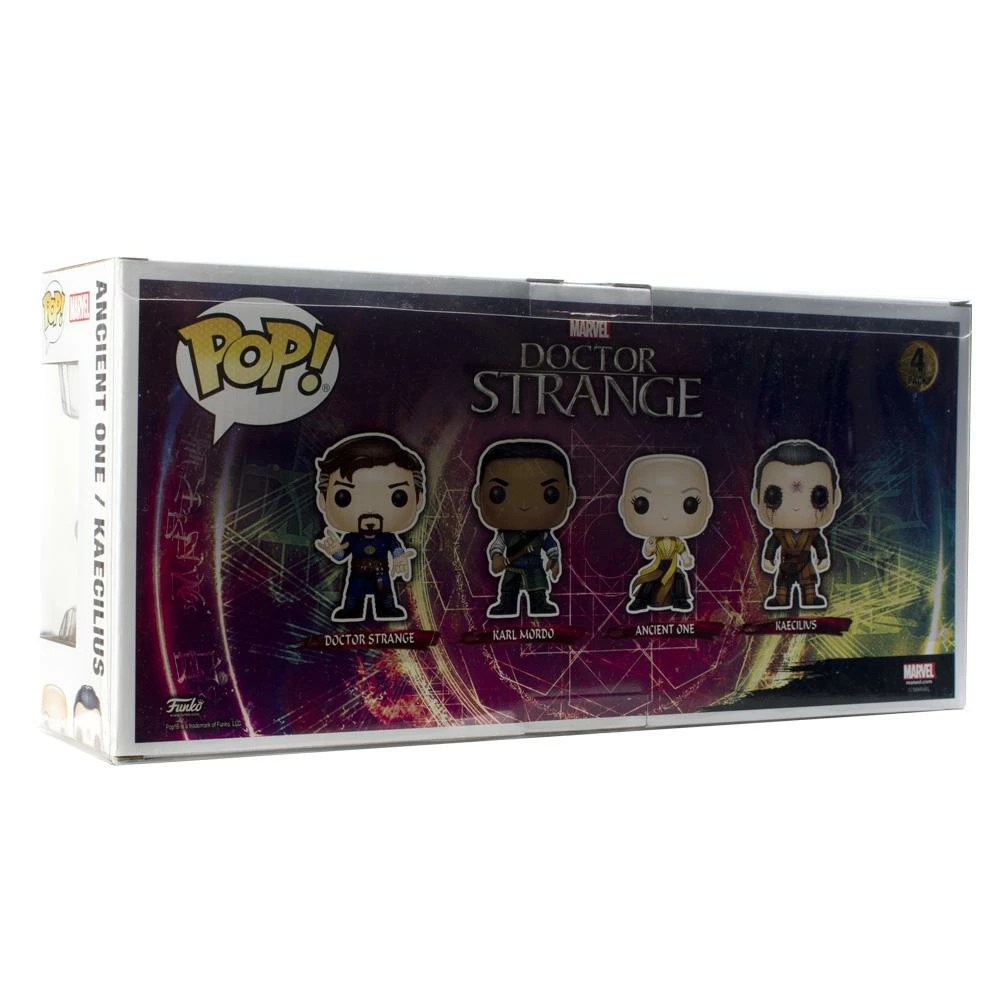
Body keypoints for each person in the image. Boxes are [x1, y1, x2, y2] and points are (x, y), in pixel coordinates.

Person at [315, 433, 426, 622]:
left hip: (381, 573)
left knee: (386, 597)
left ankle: (387, 609)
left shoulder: (388, 538)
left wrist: (400, 558)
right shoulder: (351, 538)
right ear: (322, 500)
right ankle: (351, 609)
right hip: (357, 573)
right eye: (344, 497)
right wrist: (334, 552)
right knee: (353, 597)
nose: (370, 511)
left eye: (398, 497)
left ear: (419, 500)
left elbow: (396, 549)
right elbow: (342, 555)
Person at [471, 439, 576, 618]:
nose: (524, 505)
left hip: (535, 566)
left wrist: (554, 559)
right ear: (478, 496)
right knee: (508, 589)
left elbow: (551, 547)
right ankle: (507, 605)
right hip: (512, 566)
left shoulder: (542, 535)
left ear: (569, 497)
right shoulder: (504, 535)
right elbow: (497, 546)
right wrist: (496, 556)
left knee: (538, 587)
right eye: (498, 493)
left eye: (550, 494)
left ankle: (539, 604)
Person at [750, 439, 842, 611]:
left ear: (835, 498)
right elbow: (772, 546)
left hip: (806, 563)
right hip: (785, 563)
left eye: (819, 497)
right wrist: (768, 559)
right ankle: (780, 599)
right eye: (773, 497)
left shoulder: (813, 534)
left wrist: (823, 557)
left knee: (809, 584)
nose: (796, 507)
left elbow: (819, 545)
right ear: (756, 498)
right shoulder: (778, 534)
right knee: (782, 584)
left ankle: (811, 599)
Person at [618, 454, 714, 614]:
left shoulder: (678, 543)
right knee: (649, 580)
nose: (665, 515)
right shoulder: (655, 540)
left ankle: (680, 600)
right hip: (658, 565)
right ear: (623, 507)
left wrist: (686, 560)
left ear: (708, 507)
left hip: (673, 567)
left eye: (690, 504)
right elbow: (648, 553)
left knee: (679, 580)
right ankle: (640, 600)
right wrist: (649, 547)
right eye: (641, 504)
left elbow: (683, 553)